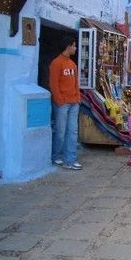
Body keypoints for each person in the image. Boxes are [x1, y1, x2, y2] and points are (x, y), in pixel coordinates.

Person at [49, 36, 82, 170]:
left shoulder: (72, 64)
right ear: (68, 46)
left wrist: (78, 98)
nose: (75, 48)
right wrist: (60, 100)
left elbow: (75, 84)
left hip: (74, 103)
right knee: (60, 131)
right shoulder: (56, 63)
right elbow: (53, 84)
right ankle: (56, 156)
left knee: (72, 132)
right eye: (74, 45)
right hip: (62, 103)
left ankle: (70, 159)